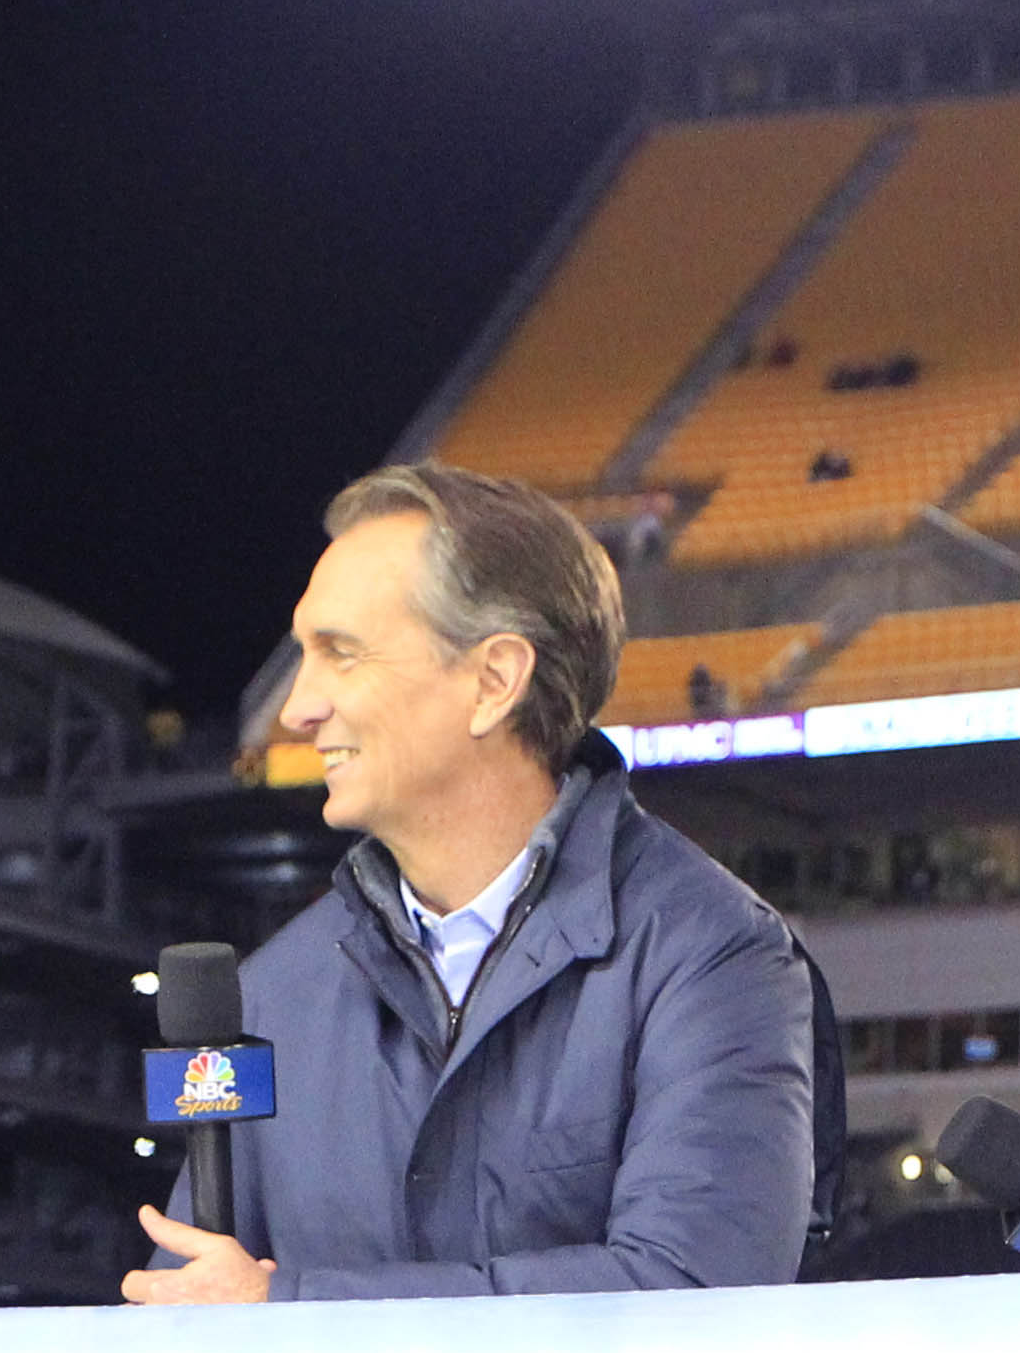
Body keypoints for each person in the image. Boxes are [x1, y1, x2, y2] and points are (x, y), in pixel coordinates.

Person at [127, 462, 814, 1305]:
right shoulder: (270, 996)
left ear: (494, 680)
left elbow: (695, 1291)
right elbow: (196, 1308)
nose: (299, 707)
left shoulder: (711, 955)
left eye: (340, 655)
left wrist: (295, 1310)